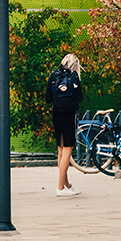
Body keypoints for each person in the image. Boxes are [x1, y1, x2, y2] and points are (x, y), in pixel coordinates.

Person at [46, 53, 84, 196]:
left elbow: (48, 98)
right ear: (75, 64)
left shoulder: (53, 75)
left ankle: (67, 185)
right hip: (69, 115)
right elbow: (79, 97)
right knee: (67, 152)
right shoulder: (74, 77)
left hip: (57, 114)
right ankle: (60, 188)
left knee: (61, 151)